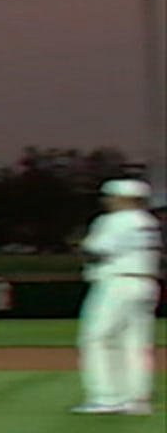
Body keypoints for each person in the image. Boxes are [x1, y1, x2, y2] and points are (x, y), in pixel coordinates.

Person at [72, 177, 160, 415]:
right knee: (135, 343)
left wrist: (80, 244)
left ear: (121, 198)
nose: (107, 201)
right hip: (145, 282)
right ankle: (136, 399)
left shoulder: (116, 220)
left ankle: (106, 397)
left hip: (117, 282)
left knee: (97, 338)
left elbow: (97, 250)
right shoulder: (148, 221)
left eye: (110, 196)